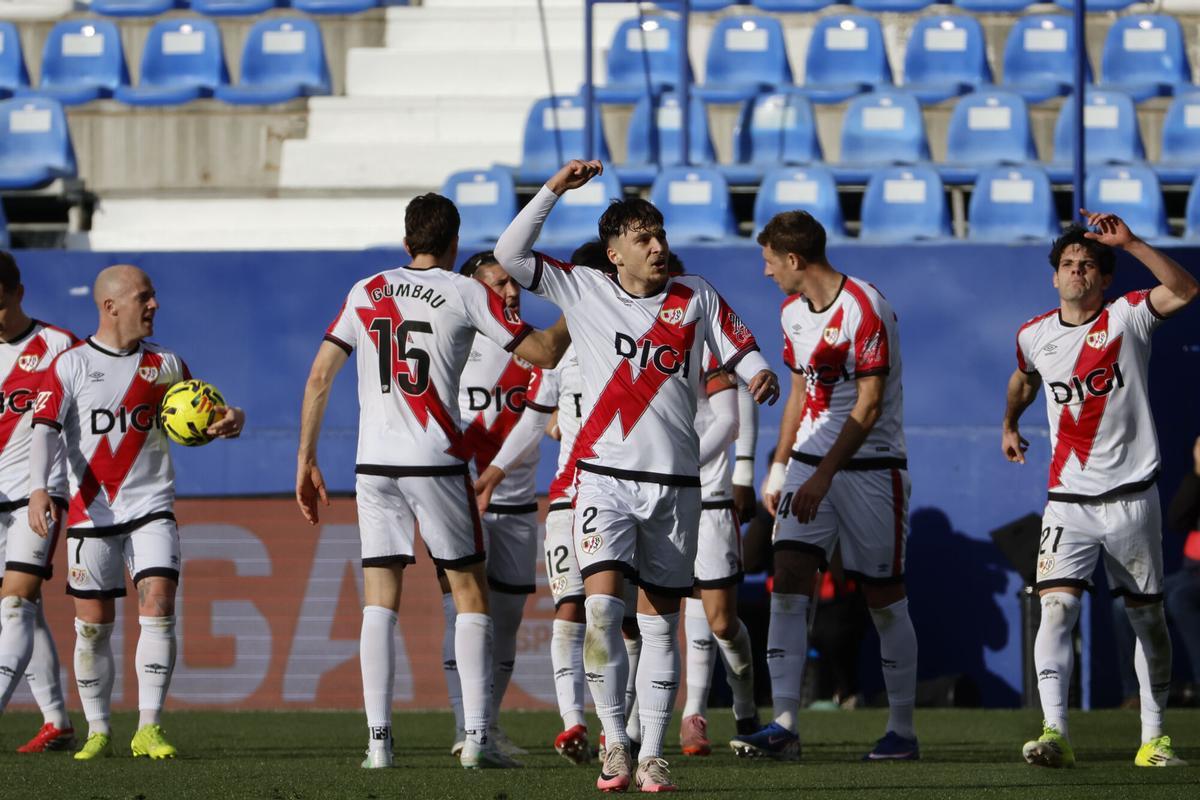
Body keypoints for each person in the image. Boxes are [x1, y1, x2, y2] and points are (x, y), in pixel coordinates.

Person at [495, 160, 779, 792]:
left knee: (658, 623)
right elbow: (510, 253)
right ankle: (614, 742)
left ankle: (653, 751)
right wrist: (553, 191)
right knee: (600, 611)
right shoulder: (586, 291)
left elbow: (739, 342)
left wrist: (759, 371)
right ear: (615, 253)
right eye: (643, 239)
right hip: (602, 478)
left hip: (675, 487)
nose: (658, 247)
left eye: (660, 235)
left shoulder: (694, 294)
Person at [295, 194, 568, 770]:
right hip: (436, 457)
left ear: (405, 242)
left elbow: (321, 374)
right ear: (454, 244)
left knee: (379, 600)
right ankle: (477, 739)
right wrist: (584, 309)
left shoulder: (366, 290)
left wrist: (306, 458)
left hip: (372, 464)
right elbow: (543, 352)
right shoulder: (466, 290)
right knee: (470, 595)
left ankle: (378, 745)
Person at [1001, 210, 1198, 768]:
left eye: (1087, 265)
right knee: (1056, 612)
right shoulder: (1034, 334)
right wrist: (1009, 423)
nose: (1077, 272)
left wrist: (1132, 243)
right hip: (1067, 501)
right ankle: (1054, 733)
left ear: (1104, 278)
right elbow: (1022, 378)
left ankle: (1153, 739)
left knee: (1147, 622)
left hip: (1133, 498)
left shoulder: (1128, 316)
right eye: (1067, 264)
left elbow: (1185, 289)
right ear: (1054, 276)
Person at [29, 264, 245, 761]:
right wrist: (40, 489)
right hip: (91, 514)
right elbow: (44, 429)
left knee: (159, 605)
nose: (155, 305)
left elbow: (213, 411)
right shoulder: (71, 364)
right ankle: (98, 729)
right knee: (93, 626)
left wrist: (235, 418)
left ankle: (149, 727)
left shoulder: (167, 363)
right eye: (144, 297)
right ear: (111, 306)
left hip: (151, 507)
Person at [732, 210, 919, 762]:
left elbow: (869, 404)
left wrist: (822, 475)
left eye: (769, 262)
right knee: (788, 579)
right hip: (808, 467)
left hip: (870, 469)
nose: (766, 274)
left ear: (794, 260)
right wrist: (780, 467)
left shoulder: (866, 307)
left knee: (883, 597)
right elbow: (797, 396)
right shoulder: (792, 313)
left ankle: (903, 732)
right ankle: (785, 725)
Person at [471, 241, 614, 764]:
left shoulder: (637, 334)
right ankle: (567, 724)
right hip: (560, 497)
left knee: (617, 613)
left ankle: (623, 728)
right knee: (566, 606)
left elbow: (540, 417)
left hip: (618, 491)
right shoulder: (558, 341)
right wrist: (488, 473)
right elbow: (540, 416)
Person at [435, 250, 546, 760]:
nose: (510, 292)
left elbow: (540, 417)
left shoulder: (536, 345)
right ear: (474, 291)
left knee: (507, 621)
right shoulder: (452, 343)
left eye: (513, 284)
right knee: (460, 615)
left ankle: (490, 725)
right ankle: (465, 729)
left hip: (520, 502)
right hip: (462, 499)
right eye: (498, 285)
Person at [0, 253, 78, 752]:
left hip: (39, 493)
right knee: (27, 610)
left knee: (13, 604)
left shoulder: (58, 347)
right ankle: (57, 721)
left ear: (18, 293)